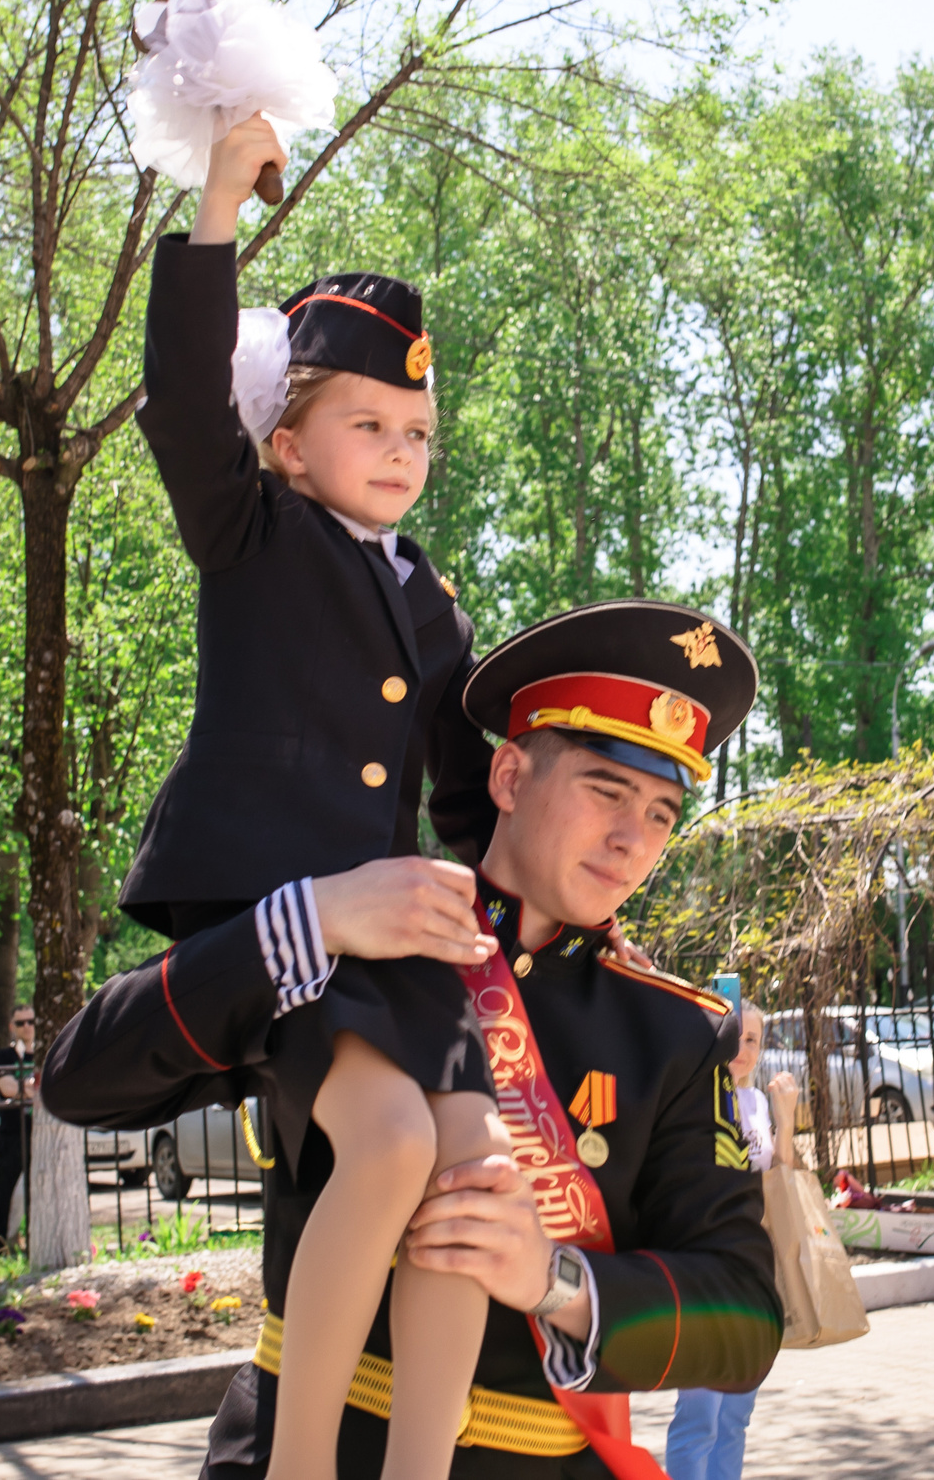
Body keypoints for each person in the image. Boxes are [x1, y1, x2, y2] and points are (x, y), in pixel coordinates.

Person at [43, 598, 782, 1479]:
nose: (632, 840)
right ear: (508, 777)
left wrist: (554, 1278)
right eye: (606, 790)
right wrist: (307, 920)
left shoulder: (673, 1028)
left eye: (662, 813)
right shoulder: (364, 930)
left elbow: (744, 1318)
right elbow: (81, 1079)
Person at [121, 113, 513, 1480]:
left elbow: (469, 797)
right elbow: (178, 398)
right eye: (368, 422)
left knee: (475, 1170)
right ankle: (299, 1461)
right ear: (287, 441)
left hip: (401, 940)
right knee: (393, 1136)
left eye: (419, 428)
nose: (402, 448)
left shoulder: (429, 596)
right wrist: (218, 201)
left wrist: (538, 856)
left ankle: (419, 1465)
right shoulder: (253, 528)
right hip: (287, 921)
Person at [664, 1002, 792, 1480]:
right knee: (700, 1415)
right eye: (736, 1036)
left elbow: (782, 1182)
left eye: (753, 1040)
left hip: (751, 1271)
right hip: (704, 1267)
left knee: (735, 1415)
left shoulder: (757, 1104)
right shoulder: (692, 1100)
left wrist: (787, 1117)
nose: (743, 1049)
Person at [0, 1003, 36, 1253]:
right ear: (12, 1027)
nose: (26, 1027)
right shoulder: (4, 1056)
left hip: (38, 1135)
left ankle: (35, 1246)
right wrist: (31, 1087)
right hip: (11, 1136)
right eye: (20, 1023)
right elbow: (6, 1088)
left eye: (30, 1021)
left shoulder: (45, 1053)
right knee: (2, 1195)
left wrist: (23, 1088)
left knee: (37, 1195)